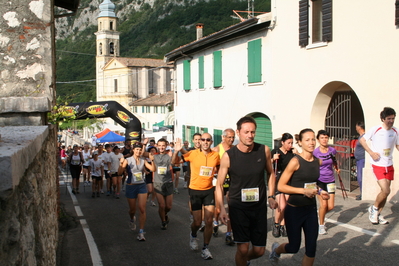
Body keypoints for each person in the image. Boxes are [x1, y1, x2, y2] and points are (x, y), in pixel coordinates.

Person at [215, 117, 277, 266]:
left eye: (253, 132)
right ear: (238, 133)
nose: (250, 135)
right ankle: (242, 260)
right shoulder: (229, 156)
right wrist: (222, 208)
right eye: (246, 132)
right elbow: (219, 184)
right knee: (242, 249)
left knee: (259, 251)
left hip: (258, 208)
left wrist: (271, 196)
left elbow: (270, 173)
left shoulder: (264, 150)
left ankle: (245, 261)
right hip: (238, 207)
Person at [269, 128, 330, 266]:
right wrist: (303, 191)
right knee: (294, 247)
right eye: (307, 140)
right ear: (300, 143)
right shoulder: (295, 161)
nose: (311, 142)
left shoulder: (317, 162)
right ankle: (276, 250)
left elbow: (312, 184)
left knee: (311, 248)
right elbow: (281, 186)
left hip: (310, 210)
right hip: (294, 210)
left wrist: (320, 191)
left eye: (313, 139)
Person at [175, 133, 220, 260]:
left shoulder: (215, 155)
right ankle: (193, 235)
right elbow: (175, 162)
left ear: (211, 142)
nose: (205, 142)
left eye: (208, 140)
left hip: (209, 190)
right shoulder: (193, 154)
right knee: (197, 222)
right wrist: (176, 152)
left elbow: (221, 167)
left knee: (209, 221)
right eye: (203, 140)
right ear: (199, 141)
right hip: (195, 190)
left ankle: (205, 248)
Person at [360, 107, 399, 225]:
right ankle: (374, 208)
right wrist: (371, 153)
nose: (391, 121)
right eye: (389, 119)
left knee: (385, 192)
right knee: (386, 190)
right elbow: (362, 140)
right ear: (383, 119)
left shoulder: (396, 131)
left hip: (389, 164)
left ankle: (378, 214)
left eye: (393, 118)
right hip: (378, 165)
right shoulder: (376, 129)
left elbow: (398, 146)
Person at [120, 143, 155, 241]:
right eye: (137, 149)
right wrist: (121, 164)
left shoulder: (143, 160)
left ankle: (141, 232)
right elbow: (119, 172)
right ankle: (132, 219)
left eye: (140, 150)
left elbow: (153, 169)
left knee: (142, 209)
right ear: (133, 150)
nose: (138, 151)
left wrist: (152, 160)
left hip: (141, 186)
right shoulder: (128, 160)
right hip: (131, 186)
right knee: (132, 210)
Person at [313, 130, 339, 235]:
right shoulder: (315, 152)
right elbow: (312, 166)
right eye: (322, 138)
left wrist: (337, 168)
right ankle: (321, 225)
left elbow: (334, 161)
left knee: (331, 206)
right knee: (323, 205)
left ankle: (320, 215)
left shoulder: (332, 150)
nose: (324, 140)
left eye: (326, 137)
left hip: (331, 180)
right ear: (318, 139)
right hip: (320, 180)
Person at [211, 128, 235, 245]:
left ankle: (228, 234)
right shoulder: (216, 150)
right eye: (229, 137)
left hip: (231, 182)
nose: (231, 139)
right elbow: (210, 165)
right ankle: (215, 222)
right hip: (219, 181)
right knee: (219, 207)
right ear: (223, 137)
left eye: (233, 137)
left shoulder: (235, 150)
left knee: (231, 207)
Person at [271, 133, 296, 238]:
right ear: (282, 142)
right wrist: (273, 159)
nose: (290, 145)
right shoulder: (275, 152)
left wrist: (297, 154)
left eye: (291, 143)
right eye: (288, 143)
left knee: (286, 206)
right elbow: (267, 164)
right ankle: (276, 224)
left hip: (289, 181)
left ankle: (283, 225)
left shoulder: (292, 153)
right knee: (281, 205)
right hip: (278, 179)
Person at [152, 138, 179, 230]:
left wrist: (175, 152)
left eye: (163, 145)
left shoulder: (169, 155)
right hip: (157, 183)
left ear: (166, 145)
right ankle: (163, 221)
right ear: (157, 146)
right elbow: (142, 154)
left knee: (168, 206)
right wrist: (143, 145)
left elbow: (173, 162)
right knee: (162, 205)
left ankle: (165, 214)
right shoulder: (154, 156)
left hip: (168, 182)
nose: (161, 147)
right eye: (159, 145)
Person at [354, 121, 366, 200]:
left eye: (356, 126)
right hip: (358, 159)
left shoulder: (364, 137)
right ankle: (361, 193)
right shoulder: (360, 136)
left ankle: (362, 193)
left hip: (362, 159)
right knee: (359, 177)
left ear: (359, 127)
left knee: (360, 177)